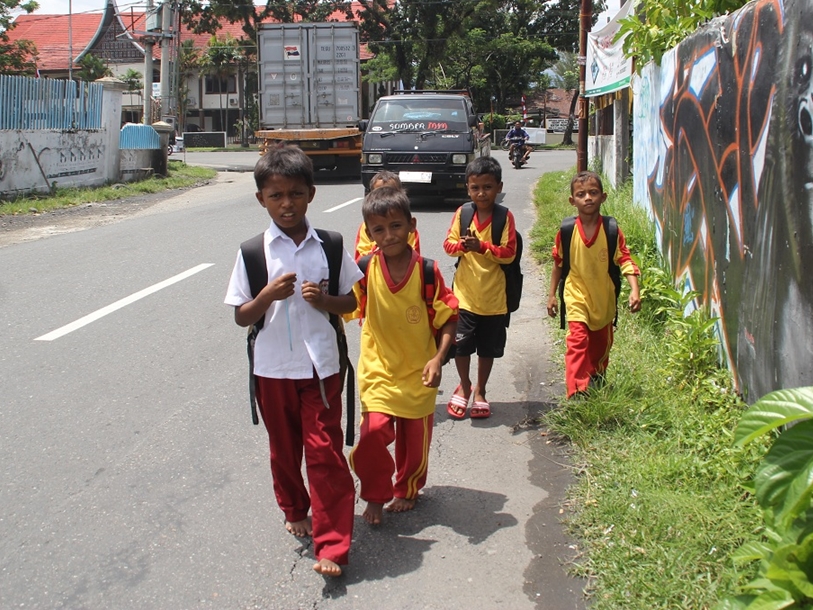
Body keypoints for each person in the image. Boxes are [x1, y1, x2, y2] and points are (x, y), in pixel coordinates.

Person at [224, 144, 362, 577]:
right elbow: (241, 315)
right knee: (284, 452)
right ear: (261, 199)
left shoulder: (332, 246)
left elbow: (351, 301)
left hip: (322, 368)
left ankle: (333, 546)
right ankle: (294, 506)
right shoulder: (252, 253)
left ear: (312, 195)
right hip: (272, 370)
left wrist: (324, 299)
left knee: (325, 453)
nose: (287, 204)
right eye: (276, 195)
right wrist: (266, 296)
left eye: (296, 194)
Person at [347, 186, 458, 525]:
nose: (388, 234)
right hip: (378, 372)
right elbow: (345, 308)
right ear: (369, 233)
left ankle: (407, 489)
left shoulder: (427, 271)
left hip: (418, 374)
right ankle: (375, 495)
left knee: (414, 445)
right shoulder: (363, 270)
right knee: (371, 437)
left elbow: (449, 318)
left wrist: (437, 360)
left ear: (411, 225)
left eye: (396, 225)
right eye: (378, 229)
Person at [546, 170, 641, 397]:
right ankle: (577, 391)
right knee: (577, 340)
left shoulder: (611, 231)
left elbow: (625, 259)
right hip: (575, 294)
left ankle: (596, 375)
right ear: (572, 201)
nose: (587, 197)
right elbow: (558, 264)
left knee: (600, 345)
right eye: (581, 194)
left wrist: (634, 290)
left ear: (603, 197)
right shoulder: (566, 231)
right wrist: (551, 296)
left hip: (603, 298)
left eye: (593, 192)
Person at [443, 156, 517, 419]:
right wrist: (464, 245)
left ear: (499, 187)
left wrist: (482, 247)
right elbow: (448, 247)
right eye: (475, 188)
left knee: (487, 349)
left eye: (487, 187)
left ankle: (481, 391)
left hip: (494, 300)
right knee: (461, 347)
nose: (481, 193)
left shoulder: (504, 217)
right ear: (467, 188)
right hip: (463, 297)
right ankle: (464, 386)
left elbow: (509, 253)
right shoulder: (463, 214)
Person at [353, 171, 421, 260]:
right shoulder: (366, 227)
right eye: (379, 230)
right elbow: (361, 255)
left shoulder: (406, 224)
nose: (385, 197)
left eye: (396, 226)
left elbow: (412, 254)